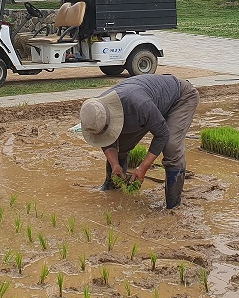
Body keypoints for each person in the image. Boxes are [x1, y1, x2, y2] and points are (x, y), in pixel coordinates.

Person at [79, 74, 199, 209]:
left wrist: (143, 168)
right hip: (149, 106)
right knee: (121, 146)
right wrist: (115, 164)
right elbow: (105, 137)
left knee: (171, 146)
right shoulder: (96, 109)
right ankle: (113, 189)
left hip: (180, 98)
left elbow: (162, 134)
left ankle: (173, 205)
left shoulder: (138, 105)